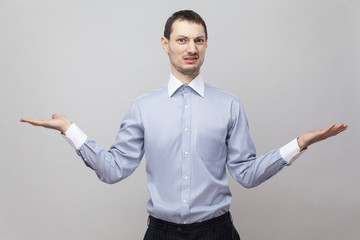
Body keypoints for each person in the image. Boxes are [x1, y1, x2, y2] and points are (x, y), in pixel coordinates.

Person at [21, 10, 347, 240]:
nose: (191, 48)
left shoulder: (229, 105)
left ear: (206, 44)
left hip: (217, 232)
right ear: (165, 44)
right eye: (182, 40)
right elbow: (113, 170)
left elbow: (247, 174)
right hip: (160, 233)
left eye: (199, 40)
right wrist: (70, 129)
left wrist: (299, 144)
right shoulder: (143, 107)